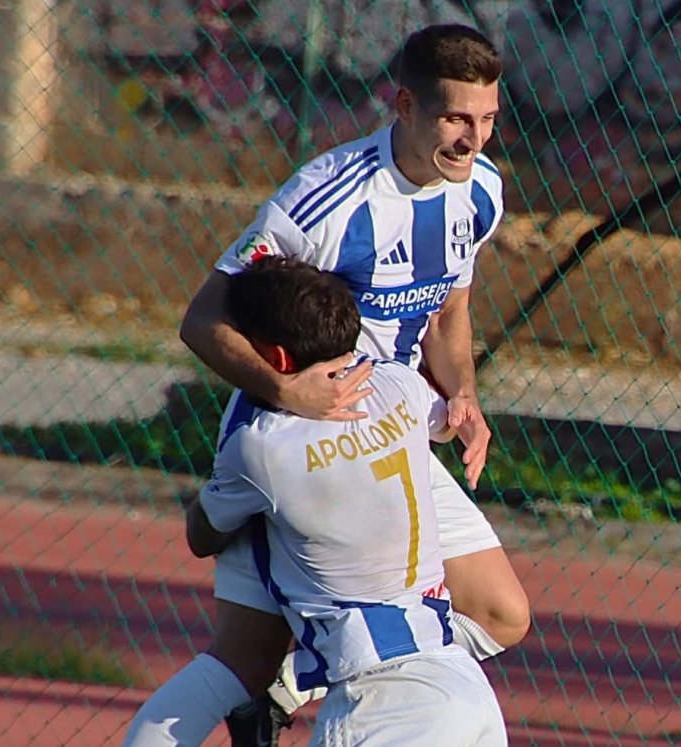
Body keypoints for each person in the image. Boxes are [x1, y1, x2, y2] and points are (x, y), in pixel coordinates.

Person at [173, 21, 529, 743]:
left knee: (501, 613)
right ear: (405, 105)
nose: (474, 140)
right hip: (305, 443)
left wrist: (462, 394)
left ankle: (292, 684)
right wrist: (288, 393)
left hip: (392, 433)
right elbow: (203, 319)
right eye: (456, 119)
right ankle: (283, 689)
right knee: (239, 661)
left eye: (488, 119)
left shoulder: (480, 191)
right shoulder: (324, 198)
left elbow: (449, 311)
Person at [123, 257, 507, 746]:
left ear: (277, 358)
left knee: (232, 661)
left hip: (383, 701)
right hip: (461, 680)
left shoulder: (262, 446)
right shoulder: (400, 383)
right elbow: (444, 423)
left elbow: (203, 537)